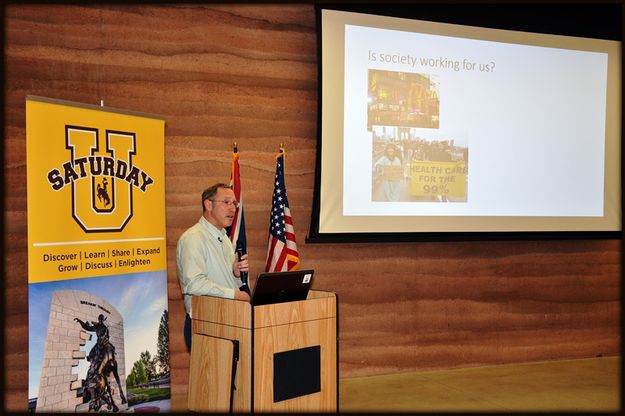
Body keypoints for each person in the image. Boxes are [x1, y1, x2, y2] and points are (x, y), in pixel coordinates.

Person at [176, 183, 250, 351]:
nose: (233, 209)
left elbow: (223, 282)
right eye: (226, 202)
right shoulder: (193, 238)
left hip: (229, 321)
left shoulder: (224, 238)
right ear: (208, 204)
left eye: (235, 204)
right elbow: (194, 284)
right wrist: (234, 295)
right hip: (206, 325)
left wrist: (235, 274)